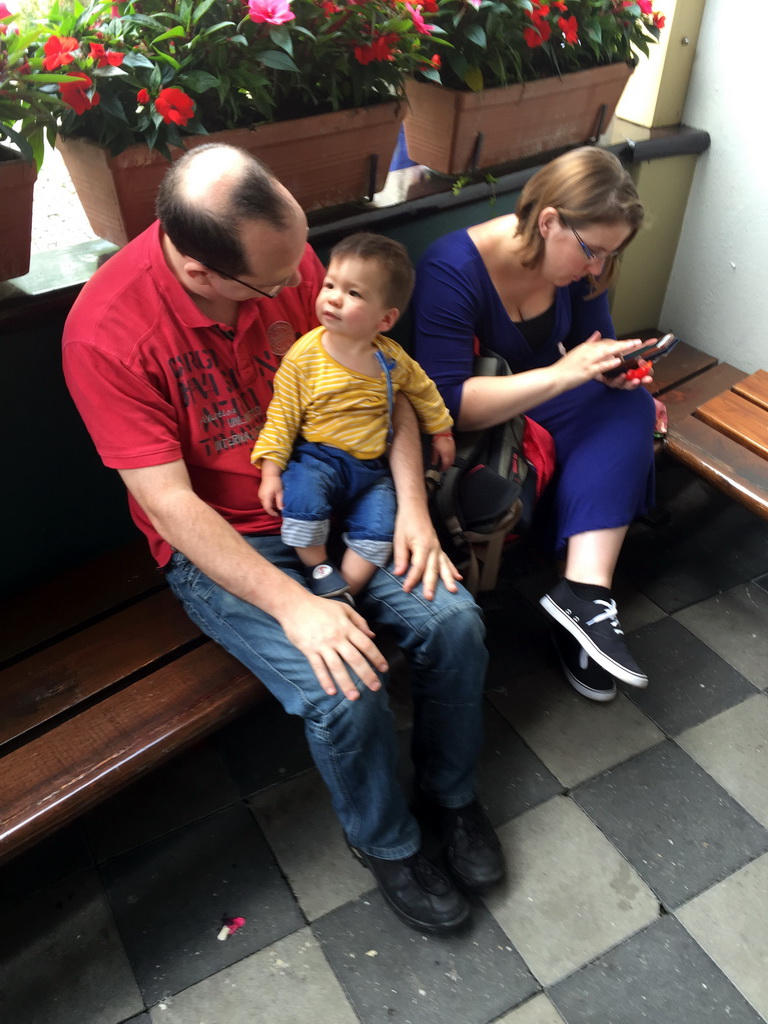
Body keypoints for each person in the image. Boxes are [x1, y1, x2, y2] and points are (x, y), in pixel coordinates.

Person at [62, 143, 504, 934]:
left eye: (306, 257)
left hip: (351, 496)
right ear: (203, 273)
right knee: (345, 686)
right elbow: (168, 506)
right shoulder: (105, 334)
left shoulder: (295, 265)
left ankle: (451, 796)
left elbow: (388, 394)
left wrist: (412, 508)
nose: (304, 280)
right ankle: (388, 841)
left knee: (456, 623)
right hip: (223, 543)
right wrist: (296, 608)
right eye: (278, 278)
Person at [411, 146, 657, 703]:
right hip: (482, 427)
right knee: (617, 426)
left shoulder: (580, 263)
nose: (596, 269)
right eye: (592, 252)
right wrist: (566, 374)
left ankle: (585, 597)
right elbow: (450, 404)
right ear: (549, 221)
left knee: (631, 407)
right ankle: (582, 616)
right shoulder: (452, 268)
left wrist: (611, 372)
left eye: (609, 257)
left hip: (538, 405)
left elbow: (594, 345)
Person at [252, 232, 455, 601]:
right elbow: (282, 415)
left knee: (380, 527)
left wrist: (441, 431)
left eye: (353, 293)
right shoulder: (305, 356)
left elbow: (423, 391)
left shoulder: (391, 359)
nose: (333, 297)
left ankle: (344, 590)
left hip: (371, 471)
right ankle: (319, 568)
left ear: (386, 318)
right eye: (330, 284)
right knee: (302, 502)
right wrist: (270, 471)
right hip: (319, 459)